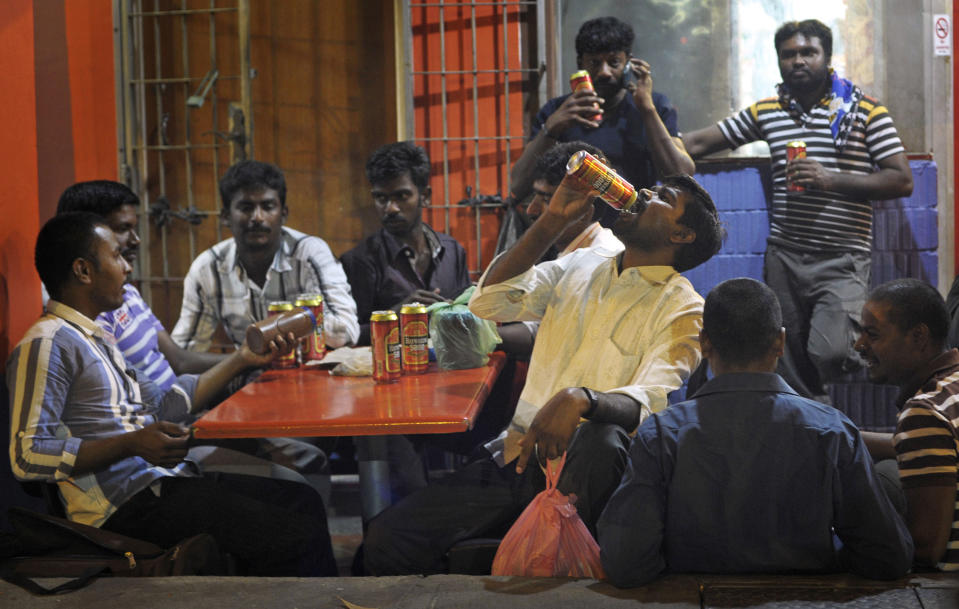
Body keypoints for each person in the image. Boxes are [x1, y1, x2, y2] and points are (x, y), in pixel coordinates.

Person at [362, 172, 724, 575]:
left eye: (663, 197)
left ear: (682, 235)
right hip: (518, 456)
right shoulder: (584, 263)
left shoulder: (685, 309)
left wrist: (580, 399)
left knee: (601, 440)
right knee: (386, 539)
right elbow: (490, 304)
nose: (644, 193)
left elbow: (651, 402)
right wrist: (551, 220)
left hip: (588, 476)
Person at [7, 212, 337, 576]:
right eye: (116, 256)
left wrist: (243, 358)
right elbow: (27, 457)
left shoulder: (97, 338)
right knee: (294, 535)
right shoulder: (47, 343)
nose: (126, 268)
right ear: (84, 271)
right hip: (126, 507)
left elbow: (166, 404)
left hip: (165, 482)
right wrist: (131, 443)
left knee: (301, 500)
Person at [597, 278, 913, 587]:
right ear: (780, 342)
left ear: (705, 342)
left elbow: (627, 562)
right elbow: (888, 557)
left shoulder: (662, 434)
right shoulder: (832, 431)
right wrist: (824, 562)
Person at [682, 19, 913, 402]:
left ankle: (826, 409)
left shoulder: (865, 112)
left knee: (832, 350)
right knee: (783, 355)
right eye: (788, 54)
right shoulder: (768, 111)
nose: (798, 61)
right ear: (778, 60)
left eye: (808, 52)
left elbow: (901, 179)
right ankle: (809, 427)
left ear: (827, 57)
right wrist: (648, 118)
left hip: (842, 257)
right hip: (785, 255)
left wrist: (830, 179)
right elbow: (700, 143)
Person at [56, 180, 331, 499]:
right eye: (123, 230)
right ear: (89, 237)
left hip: (190, 414)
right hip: (166, 442)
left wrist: (251, 360)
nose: (135, 240)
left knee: (310, 454)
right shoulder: (81, 326)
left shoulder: (125, 294)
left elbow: (179, 359)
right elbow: (142, 416)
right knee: (297, 482)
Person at [171, 159, 359, 352]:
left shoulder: (309, 254)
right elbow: (185, 350)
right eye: (246, 208)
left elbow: (347, 330)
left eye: (268, 207)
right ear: (226, 216)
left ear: (283, 214)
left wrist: (272, 331)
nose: (258, 217)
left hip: (311, 371)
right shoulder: (207, 268)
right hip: (249, 375)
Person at [509, 16, 694, 204]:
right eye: (594, 63)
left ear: (628, 64)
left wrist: (648, 110)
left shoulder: (653, 105)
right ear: (580, 63)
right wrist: (551, 129)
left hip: (633, 224)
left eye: (614, 62)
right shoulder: (557, 111)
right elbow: (517, 186)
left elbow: (683, 176)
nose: (604, 72)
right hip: (572, 225)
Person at [855, 278, 959, 571]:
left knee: (885, 477)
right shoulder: (952, 389)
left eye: (872, 335)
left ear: (918, 336)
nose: (859, 345)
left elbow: (925, 548)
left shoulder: (925, 411)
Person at [498, 140, 624, 357]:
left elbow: (551, 332)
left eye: (547, 199)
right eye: (533, 197)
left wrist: (485, 335)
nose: (532, 210)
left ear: (584, 208)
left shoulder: (603, 258)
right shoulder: (571, 252)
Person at [340, 142, 472, 345]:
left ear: (425, 196)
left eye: (402, 196)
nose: (391, 208)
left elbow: (468, 319)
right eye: (380, 198)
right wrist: (395, 316)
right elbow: (350, 336)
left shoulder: (452, 251)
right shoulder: (359, 261)